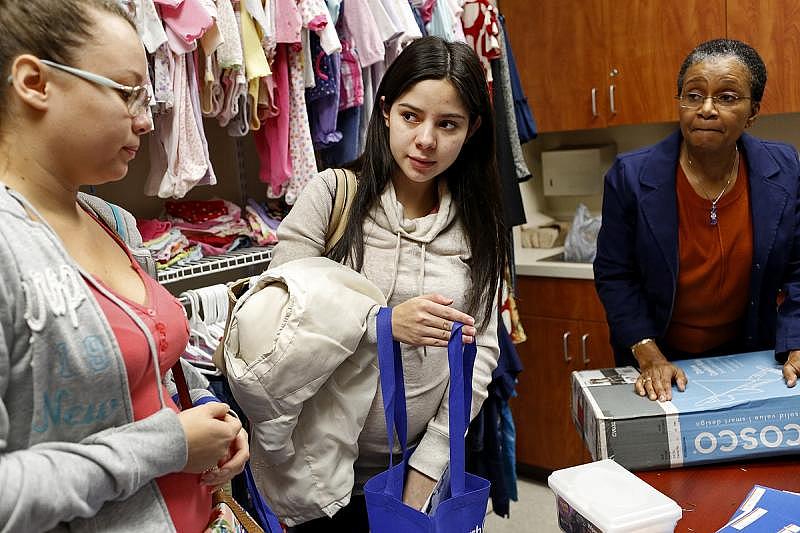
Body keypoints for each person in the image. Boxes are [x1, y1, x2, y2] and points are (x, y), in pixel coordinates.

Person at [0, 1, 248, 531]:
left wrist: (211, 417)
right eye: (126, 91)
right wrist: (170, 445)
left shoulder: (113, 221)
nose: (145, 117)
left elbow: (155, 364)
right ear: (34, 82)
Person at [267, 36, 507, 531]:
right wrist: (382, 324)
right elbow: (275, 319)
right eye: (411, 116)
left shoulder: (482, 223)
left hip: (423, 466)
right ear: (384, 112)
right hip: (319, 470)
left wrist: (428, 465)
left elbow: (480, 351)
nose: (426, 140)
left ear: (472, 130)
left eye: (448, 124)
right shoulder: (333, 196)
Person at [594, 38, 800, 403]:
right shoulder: (631, 175)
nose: (706, 109)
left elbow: (798, 269)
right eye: (693, 95)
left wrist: (797, 342)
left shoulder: (783, 169)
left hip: (753, 353)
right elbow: (615, 275)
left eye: (727, 97)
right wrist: (647, 351)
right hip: (660, 356)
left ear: (753, 112)